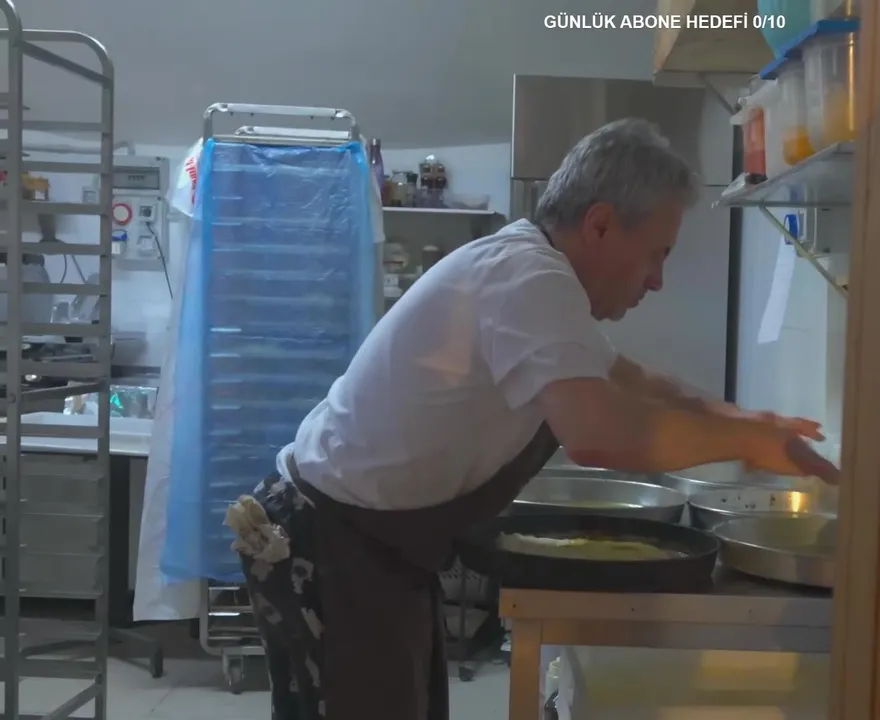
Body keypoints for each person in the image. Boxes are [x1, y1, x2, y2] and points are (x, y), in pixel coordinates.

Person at [225, 117, 840, 720]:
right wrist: (748, 442)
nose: (657, 280)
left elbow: (629, 377)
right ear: (600, 224)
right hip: (331, 546)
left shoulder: (536, 272)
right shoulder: (530, 277)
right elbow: (597, 434)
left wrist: (740, 416)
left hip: (368, 546)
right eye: (657, 254)